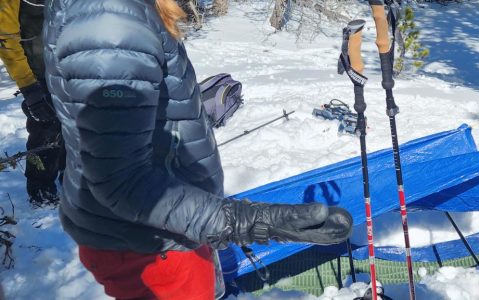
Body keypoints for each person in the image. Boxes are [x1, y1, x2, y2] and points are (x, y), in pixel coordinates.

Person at [43, 0, 353, 299]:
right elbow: (123, 182)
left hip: (165, 227)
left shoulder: (116, 15)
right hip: (151, 245)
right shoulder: (109, 22)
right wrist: (257, 222)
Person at [0, 0, 65, 207]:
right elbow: (6, 37)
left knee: (77, 126)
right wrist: (28, 87)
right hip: (36, 73)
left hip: (71, 67)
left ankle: (72, 181)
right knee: (47, 127)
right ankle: (41, 191)